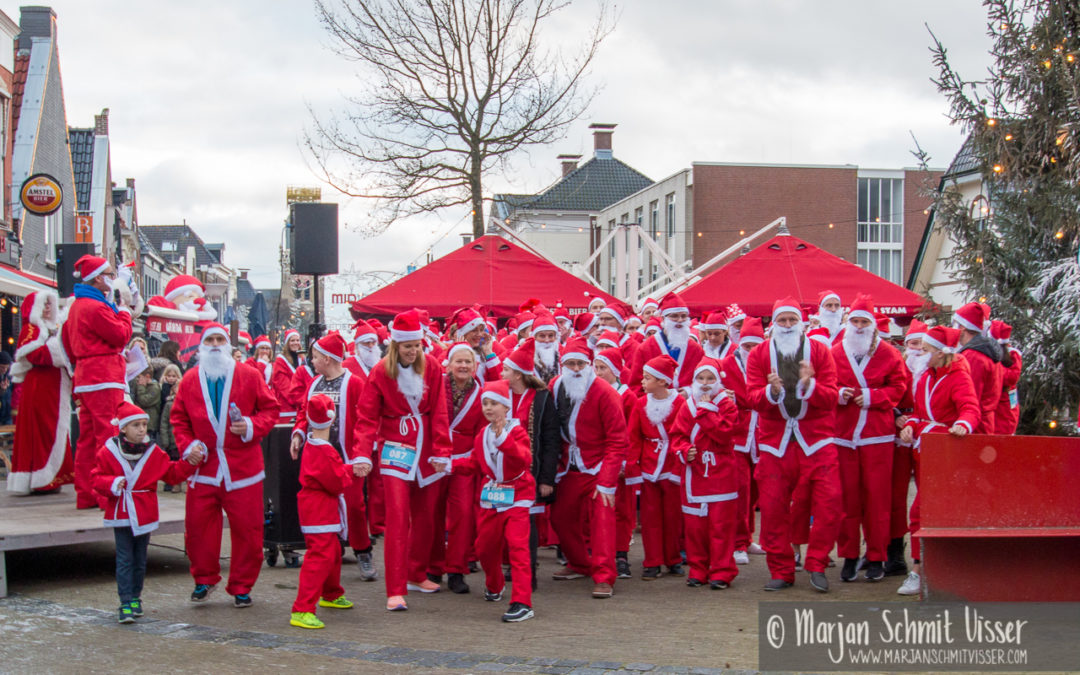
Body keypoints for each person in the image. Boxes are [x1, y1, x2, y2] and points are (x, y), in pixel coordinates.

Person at [170, 323, 279, 607]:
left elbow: (270, 409)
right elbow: (178, 419)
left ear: (229, 346)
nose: (216, 344)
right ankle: (204, 579)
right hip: (204, 466)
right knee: (197, 529)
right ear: (202, 346)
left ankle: (242, 585)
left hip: (242, 467)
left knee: (248, 530)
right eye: (211, 340)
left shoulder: (249, 375)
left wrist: (252, 425)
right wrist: (187, 445)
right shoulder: (190, 379)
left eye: (220, 339)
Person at [353, 309, 453, 611]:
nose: (413, 351)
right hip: (395, 447)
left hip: (426, 452)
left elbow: (439, 410)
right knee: (397, 518)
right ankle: (395, 589)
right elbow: (366, 417)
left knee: (425, 517)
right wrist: (361, 453)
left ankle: (416, 573)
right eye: (407, 346)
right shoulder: (381, 372)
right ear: (395, 346)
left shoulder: (433, 366)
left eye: (417, 345)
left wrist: (442, 451)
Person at [745, 297, 842, 593]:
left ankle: (817, 563)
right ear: (773, 324)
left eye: (791, 320)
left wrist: (810, 385)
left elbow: (831, 398)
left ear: (800, 323)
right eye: (782, 321)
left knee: (830, 503)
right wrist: (771, 391)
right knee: (773, 508)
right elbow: (751, 398)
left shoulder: (821, 352)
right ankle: (781, 569)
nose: (787, 326)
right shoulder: (759, 355)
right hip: (775, 442)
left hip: (816, 439)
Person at [91, 402, 202, 623]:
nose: (142, 430)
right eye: (136, 425)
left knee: (140, 559)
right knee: (124, 558)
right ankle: (124, 601)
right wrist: (112, 482)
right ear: (123, 428)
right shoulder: (108, 452)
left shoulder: (154, 453)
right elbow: (95, 478)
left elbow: (172, 474)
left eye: (143, 425)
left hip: (144, 513)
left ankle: (136, 598)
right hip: (122, 512)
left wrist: (190, 462)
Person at [897, 326, 980, 596]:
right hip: (925, 453)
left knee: (922, 512)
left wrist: (962, 425)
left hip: (945, 453)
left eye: (927, 349)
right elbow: (920, 413)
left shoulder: (958, 377)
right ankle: (928, 570)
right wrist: (910, 425)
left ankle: (921, 571)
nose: (920, 353)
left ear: (941, 353)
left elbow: (970, 408)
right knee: (925, 511)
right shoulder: (926, 378)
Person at [830, 295, 907, 583]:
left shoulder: (889, 354)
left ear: (873, 326)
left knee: (877, 499)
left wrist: (874, 397)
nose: (859, 327)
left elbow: (899, 387)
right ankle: (849, 556)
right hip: (844, 437)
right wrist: (839, 394)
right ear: (848, 324)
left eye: (864, 322)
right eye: (855, 322)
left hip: (877, 437)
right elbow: (827, 384)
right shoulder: (836, 352)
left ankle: (877, 557)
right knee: (847, 500)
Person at [290, 332, 375, 581]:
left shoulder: (355, 383)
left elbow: (365, 422)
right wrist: (297, 435)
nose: (312, 361)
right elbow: (303, 414)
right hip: (320, 461)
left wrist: (362, 455)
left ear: (327, 359)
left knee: (355, 508)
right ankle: (331, 550)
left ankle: (362, 551)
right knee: (324, 509)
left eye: (315, 357)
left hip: (347, 460)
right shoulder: (314, 384)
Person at [549, 336, 628, 599]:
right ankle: (580, 563)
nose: (575, 369)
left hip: (598, 466)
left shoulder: (605, 393)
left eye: (580, 364)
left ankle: (605, 575)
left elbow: (618, 439)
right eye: (570, 363)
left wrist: (607, 481)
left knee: (602, 521)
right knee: (560, 517)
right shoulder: (555, 386)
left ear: (590, 365)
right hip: (568, 467)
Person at [453, 380, 536, 622]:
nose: (489, 408)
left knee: (518, 547)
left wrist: (504, 441)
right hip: (492, 496)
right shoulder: (482, 434)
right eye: (485, 403)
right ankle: (495, 583)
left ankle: (522, 601)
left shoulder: (516, 431)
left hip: (518, 494)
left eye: (494, 403)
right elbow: (475, 464)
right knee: (484, 547)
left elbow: (524, 458)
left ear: (506, 407)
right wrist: (448, 465)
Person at [62, 254, 136, 509]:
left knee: (87, 438)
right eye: (109, 275)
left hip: (85, 377)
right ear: (97, 278)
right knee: (108, 435)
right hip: (104, 376)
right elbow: (120, 335)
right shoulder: (95, 307)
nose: (113, 279)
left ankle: (87, 493)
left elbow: (70, 344)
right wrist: (124, 311)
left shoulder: (77, 306)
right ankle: (106, 493)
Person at [289, 394, 362, 630]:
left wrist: (349, 469)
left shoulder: (314, 445)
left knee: (330, 552)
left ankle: (330, 593)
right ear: (332, 419)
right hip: (319, 511)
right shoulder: (324, 450)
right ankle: (302, 608)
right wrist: (354, 471)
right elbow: (336, 481)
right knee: (320, 555)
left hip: (319, 509)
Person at [673, 357, 739, 589]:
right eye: (700, 378)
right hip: (694, 474)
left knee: (721, 526)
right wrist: (683, 450)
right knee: (695, 528)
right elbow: (677, 436)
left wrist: (705, 411)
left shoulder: (727, 405)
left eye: (710, 378)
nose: (705, 383)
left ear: (718, 381)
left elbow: (724, 434)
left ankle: (722, 570)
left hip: (721, 475)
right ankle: (698, 568)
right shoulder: (686, 406)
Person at [502, 338, 561, 588]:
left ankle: (528, 573)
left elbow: (551, 440)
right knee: (504, 521)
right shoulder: (499, 394)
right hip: (503, 472)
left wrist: (547, 478)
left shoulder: (542, 398)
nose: (502, 374)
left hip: (531, 471)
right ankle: (509, 567)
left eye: (506, 370)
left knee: (527, 523)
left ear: (517, 374)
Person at [6, 290, 74, 495]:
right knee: (43, 430)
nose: (47, 308)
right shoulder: (31, 328)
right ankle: (41, 478)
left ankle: (51, 476)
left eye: (49, 304)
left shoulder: (51, 328)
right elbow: (34, 354)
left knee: (54, 429)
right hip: (41, 387)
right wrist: (59, 348)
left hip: (54, 386)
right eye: (43, 304)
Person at [626, 355, 686, 579]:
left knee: (672, 516)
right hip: (649, 466)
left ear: (662, 381)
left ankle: (673, 558)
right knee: (650, 517)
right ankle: (652, 561)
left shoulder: (679, 403)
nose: (642, 381)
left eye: (647, 378)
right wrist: (632, 465)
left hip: (672, 464)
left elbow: (684, 434)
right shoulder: (640, 403)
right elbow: (634, 436)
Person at [436, 343, 485, 594]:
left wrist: (470, 461)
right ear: (449, 364)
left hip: (464, 462)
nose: (463, 366)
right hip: (435, 459)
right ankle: (432, 567)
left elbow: (482, 434)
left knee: (463, 515)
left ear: (475, 366)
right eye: (459, 361)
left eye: (468, 362)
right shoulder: (436, 387)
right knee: (431, 514)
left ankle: (456, 569)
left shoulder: (482, 394)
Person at [719, 316, 766, 564]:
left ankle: (747, 537)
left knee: (754, 492)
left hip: (761, 437)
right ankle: (737, 543)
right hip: (736, 437)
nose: (751, 351)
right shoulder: (726, 365)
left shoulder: (769, 365)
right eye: (747, 346)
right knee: (740, 489)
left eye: (756, 346)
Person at [593, 347, 638, 578]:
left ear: (616, 370)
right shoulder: (592, 392)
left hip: (619, 461)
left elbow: (630, 431)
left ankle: (621, 554)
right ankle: (600, 553)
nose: (599, 372)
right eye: (597, 367)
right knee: (600, 509)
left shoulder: (627, 395)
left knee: (622, 510)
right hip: (597, 461)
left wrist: (624, 462)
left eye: (604, 368)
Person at [629, 291, 703, 393]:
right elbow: (636, 386)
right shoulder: (646, 348)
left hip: (687, 405)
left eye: (683, 316)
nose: (680, 320)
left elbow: (703, 381)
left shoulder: (696, 349)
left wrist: (689, 391)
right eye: (674, 316)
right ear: (663, 318)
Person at [952, 302, 1002, 433]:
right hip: (982, 422)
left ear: (962, 327)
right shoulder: (984, 352)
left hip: (974, 426)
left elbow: (970, 394)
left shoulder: (973, 356)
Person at [990, 320, 1022, 435]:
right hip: (1002, 406)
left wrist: (993, 368)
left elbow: (1012, 377)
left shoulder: (1013, 354)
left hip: (1005, 407)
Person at [157, 364, 183, 492]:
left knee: (182, 461)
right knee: (171, 460)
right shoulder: (168, 404)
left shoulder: (185, 403)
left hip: (181, 439)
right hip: (171, 438)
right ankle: (172, 483)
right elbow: (164, 423)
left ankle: (180, 483)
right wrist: (165, 439)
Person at [272, 329, 305, 420]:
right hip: (287, 408)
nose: (295, 343)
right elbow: (284, 387)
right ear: (287, 343)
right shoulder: (280, 362)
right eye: (292, 340)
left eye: (297, 340)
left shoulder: (302, 360)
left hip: (301, 407)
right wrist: (301, 401)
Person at [130, 368, 162, 442]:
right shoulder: (142, 386)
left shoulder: (154, 388)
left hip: (150, 425)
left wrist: (141, 387)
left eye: (139, 377)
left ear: (147, 377)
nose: (137, 380)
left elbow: (144, 401)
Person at [530, 313, 562, 383]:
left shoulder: (562, 357)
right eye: (542, 336)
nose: (547, 340)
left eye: (550, 336)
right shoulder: (527, 359)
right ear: (534, 337)